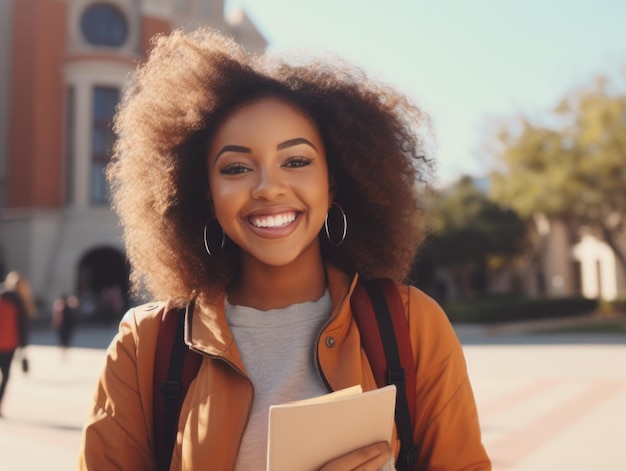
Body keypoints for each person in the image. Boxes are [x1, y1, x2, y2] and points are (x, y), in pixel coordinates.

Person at [78, 28, 491, 470]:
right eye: (236, 167)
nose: (268, 187)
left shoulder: (411, 326)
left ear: (333, 184)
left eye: (296, 161)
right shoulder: (146, 346)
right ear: (205, 196)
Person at [0, 272, 31, 417]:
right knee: (5, 375)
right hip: (9, 344)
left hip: (6, 342)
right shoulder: (19, 301)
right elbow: (22, 326)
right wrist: (23, 347)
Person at [52, 294, 79, 358]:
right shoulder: (62, 307)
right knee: (64, 339)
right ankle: (64, 349)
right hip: (65, 326)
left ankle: (64, 349)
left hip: (66, 326)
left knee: (65, 338)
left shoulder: (66, 307)